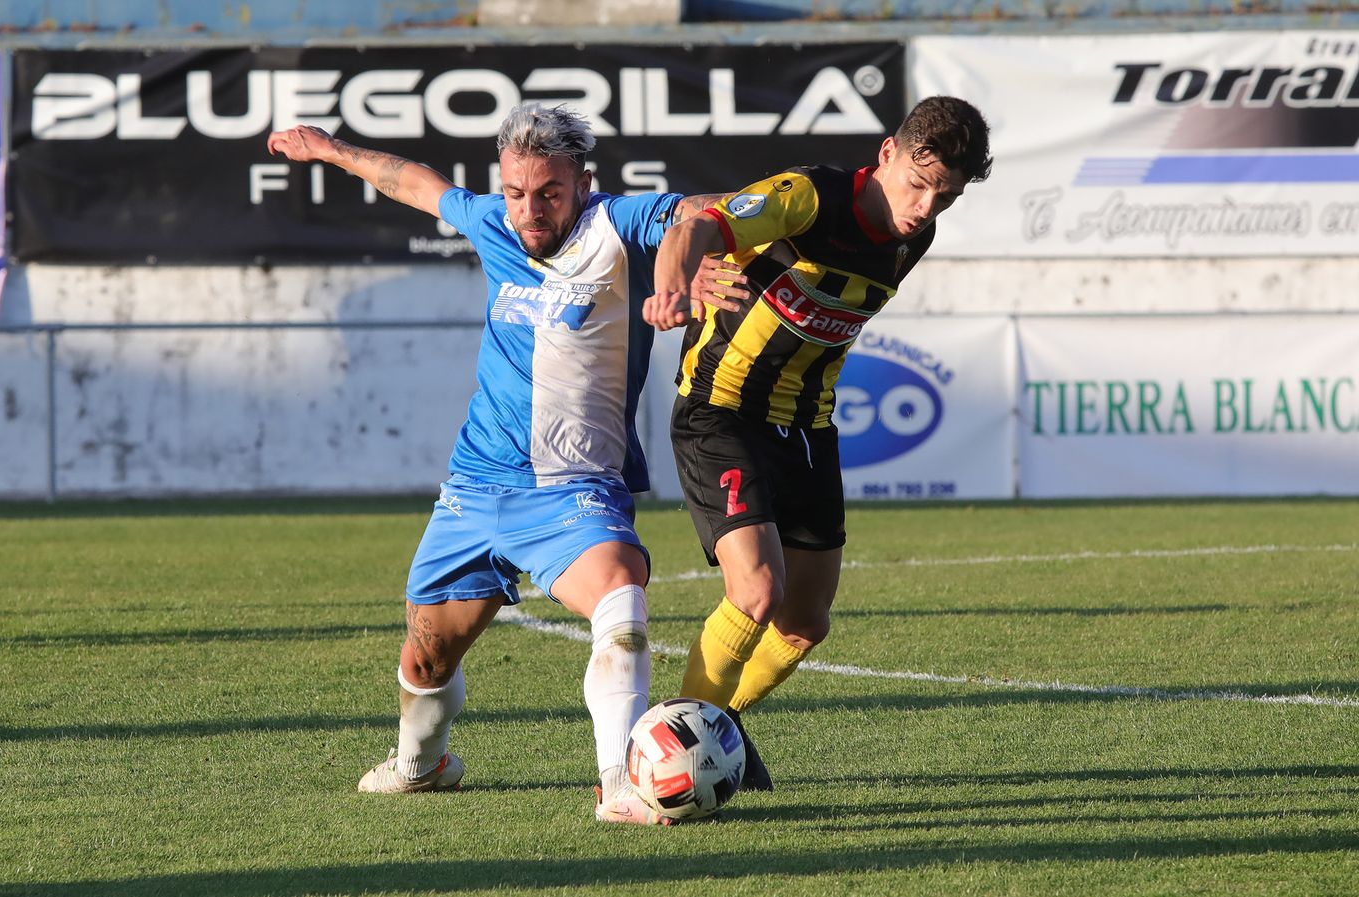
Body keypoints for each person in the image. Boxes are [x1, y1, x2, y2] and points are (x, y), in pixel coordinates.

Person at [266, 105, 735, 825]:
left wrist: (683, 268)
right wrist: (330, 150)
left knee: (620, 594)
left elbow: (701, 211)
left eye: (548, 192)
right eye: (516, 192)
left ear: (583, 184)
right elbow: (413, 182)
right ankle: (421, 766)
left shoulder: (618, 224)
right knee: (426, 659)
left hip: (573, 489)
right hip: (475, 485)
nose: (529, 209)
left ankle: (618, 784)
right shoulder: (494, 224)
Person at [643, 96, 993, 789]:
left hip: (807, 427)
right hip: (721, 411)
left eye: (945, 197)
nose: (925, 207)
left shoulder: (912, 237)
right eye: (918, 184)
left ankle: (718, 723)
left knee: (805, 623)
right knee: (756, 591)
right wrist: (674, 284)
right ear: (887, 154)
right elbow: (697, 225)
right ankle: (666, 756)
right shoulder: (808, 197)